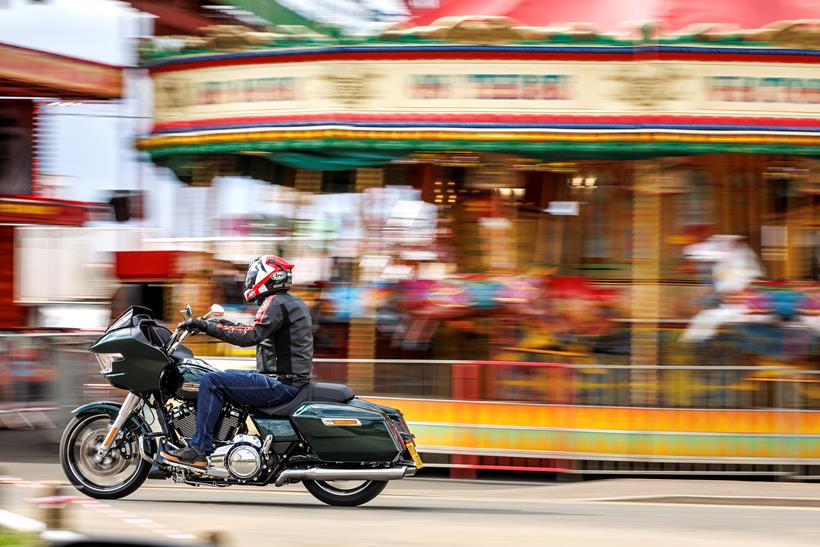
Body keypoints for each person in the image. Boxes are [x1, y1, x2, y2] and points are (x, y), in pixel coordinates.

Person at [160, 255, 313, 468]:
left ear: (266, 277)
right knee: (221, 375)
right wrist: (218, 323)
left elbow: (250, 336)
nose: (249, 281)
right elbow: (253, 330)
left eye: (252, 276)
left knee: (212, 382)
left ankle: (199, 449)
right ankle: (224, 439)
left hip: (280, 384)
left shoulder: (275, 302)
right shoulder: (289, 302)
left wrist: (206, 327)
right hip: (283, 380)